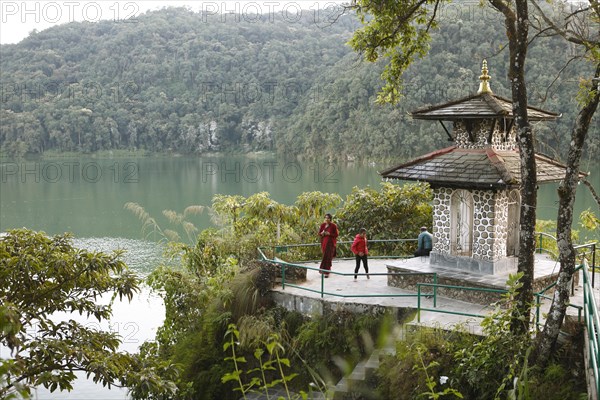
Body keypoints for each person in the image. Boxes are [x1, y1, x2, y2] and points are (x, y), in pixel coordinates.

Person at [318, 213, 338, 277]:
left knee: (328, 257)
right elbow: (319, 233)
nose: (327, 219)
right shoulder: (323, 225)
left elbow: (336, 235)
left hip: (330, 243)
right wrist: (322, 233)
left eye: (328, 218)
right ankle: (323, 270)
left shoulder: (333, 226)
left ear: (330, 219)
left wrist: (329, 234)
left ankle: (327, 272)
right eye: (326, 218)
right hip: (324, 243)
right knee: (325, 256)